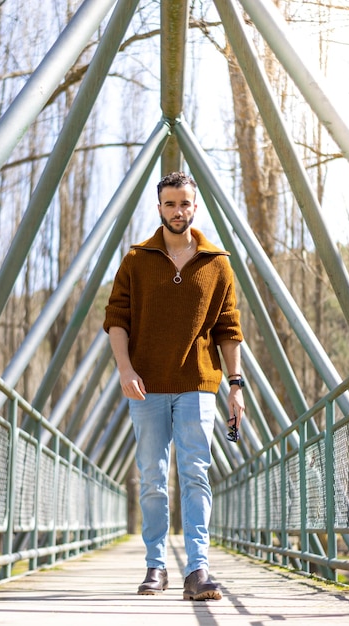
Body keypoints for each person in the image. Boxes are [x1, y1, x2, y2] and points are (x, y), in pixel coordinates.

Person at [103, 171, 245, 601]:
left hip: (198, 383)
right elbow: (116, 320)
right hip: (144, 385)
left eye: (185, 203)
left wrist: (235, 385)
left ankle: (198, 570)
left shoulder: (217, 263)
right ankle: (156, 566)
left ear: (195, 207)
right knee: (152, 478)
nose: (178, 211)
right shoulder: (135, 259)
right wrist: (125, 370)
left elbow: (228, 328)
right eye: (170, 204)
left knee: (195, 473)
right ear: (159, 207)